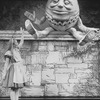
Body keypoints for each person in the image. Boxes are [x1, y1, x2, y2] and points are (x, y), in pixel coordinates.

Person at [1, 27, 28, 100]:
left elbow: (22, 42)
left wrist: (22, 34)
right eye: (16, 41)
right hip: (13, 71)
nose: (17, 42)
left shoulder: (17, 49)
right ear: (13, 43)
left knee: (17, 88)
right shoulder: (9, 52)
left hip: (19, 70)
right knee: (13, 88)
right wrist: (4, 74)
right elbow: (6, 64)